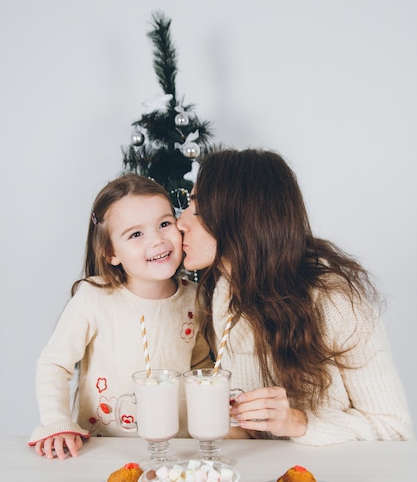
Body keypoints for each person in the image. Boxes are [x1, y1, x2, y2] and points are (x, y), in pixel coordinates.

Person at [177, 148, 414, 444]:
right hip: (257, 481)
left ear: (240, 219)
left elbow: (394, 429)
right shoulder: (218, 292)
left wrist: (298, 421)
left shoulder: (334, 301)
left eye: (197, 211)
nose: (181, 222)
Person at [28, 173, 212, 459]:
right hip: (101, 448)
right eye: (136, 234)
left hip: (177, 450)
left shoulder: (196, 297)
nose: (157, 240)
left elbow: (200, 365)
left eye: (165, 224)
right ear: (111, 252)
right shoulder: (94, 297)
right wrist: (56, 422)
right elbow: (54, 363)